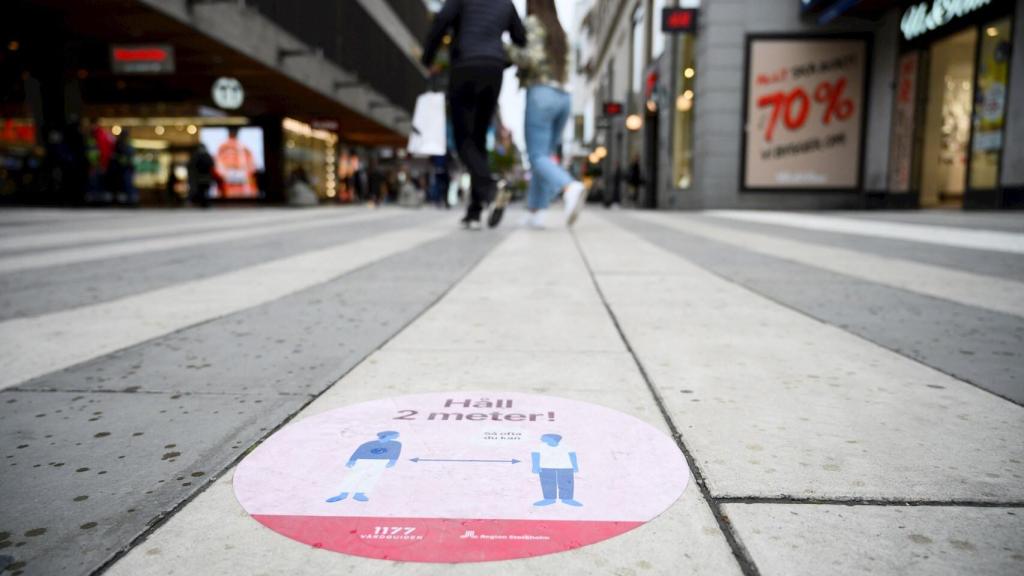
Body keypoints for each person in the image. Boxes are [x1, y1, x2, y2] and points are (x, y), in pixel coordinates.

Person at [421, 0, 526, 230]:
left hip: (465, 66)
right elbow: (521, 38)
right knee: (478, 138)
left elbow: (441, 21)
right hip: (493, 70)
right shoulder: (505, 3)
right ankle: (474, 211)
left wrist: (427, 58)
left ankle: (489, 187)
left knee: (463, 139)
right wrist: (501, 57)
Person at [508, 0, 587, 229]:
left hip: (541, 92)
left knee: (536, 156)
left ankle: (570, 187)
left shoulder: (533, 23)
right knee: (544, 155)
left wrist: (504, 48)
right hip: (563, 95)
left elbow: (528, 58)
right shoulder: (560, 30)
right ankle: (536, 211)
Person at [326, 431, 402, 503]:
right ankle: (343, 494)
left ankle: (359, 494)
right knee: (354, 475)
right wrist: (352, 460)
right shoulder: (369, 444)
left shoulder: (396, 444)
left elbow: (396, 453)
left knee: (371, 476)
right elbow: (359, 451)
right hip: (363, 460)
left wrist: (393, 461)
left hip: (380, 461)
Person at [531, 433, 582, 507]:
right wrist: (535, 467)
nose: (542, 439)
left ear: (553, 439)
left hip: (566, 467)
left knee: (566, 483)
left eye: (545, 438)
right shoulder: (539, 447)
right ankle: (549, 499)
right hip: (546, 467)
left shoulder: (566, 447)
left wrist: (575, 467)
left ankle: (567, 499)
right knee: (547, 483)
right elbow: (535, 456)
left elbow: (572, 456)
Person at [215, 127, 259, 198]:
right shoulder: (245, 148)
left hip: (228, 190)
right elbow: (252, 168)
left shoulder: (222, 148)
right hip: (242, 191)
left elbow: (218, 169)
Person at [188, 144, 215, 208]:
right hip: (206, 177)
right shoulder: (207, 156)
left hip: (200, 178)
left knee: (202, 191)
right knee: (205, 191)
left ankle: (203, 203)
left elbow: (192, 166)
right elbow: (212, 165)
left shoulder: (196, 156)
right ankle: (205, 203)